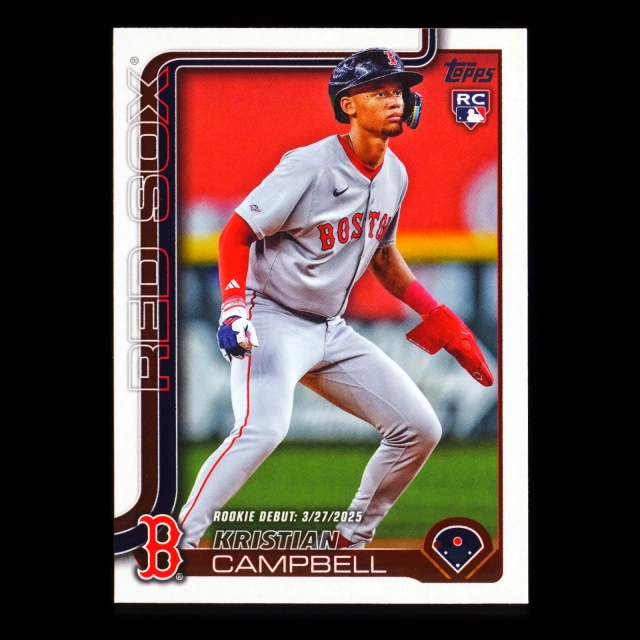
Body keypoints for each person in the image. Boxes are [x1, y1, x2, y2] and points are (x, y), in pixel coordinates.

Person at [177, 48, 493, 550]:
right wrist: (234, 306)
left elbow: (383, 257)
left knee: (418, 428)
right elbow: (235, 233)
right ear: (348, 105)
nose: (396, 100)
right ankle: (177, 541)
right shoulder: (310, 165)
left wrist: (439, 315)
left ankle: (350, 540)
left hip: (331, 329)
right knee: (262, 429)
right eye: (380, 91)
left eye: (398, 91)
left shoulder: (395, 174)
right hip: (272, 318)